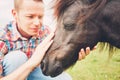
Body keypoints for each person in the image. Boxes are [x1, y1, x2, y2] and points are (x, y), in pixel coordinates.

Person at [0, 0, 92, 80]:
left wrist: (73, 54)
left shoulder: (46, 32)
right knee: (16, 58)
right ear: (15, 14)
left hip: (34, 73)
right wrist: (31, 63)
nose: (37, 23)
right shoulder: (3, 38)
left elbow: (55, 59)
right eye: (30, 17)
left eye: (40, 17)